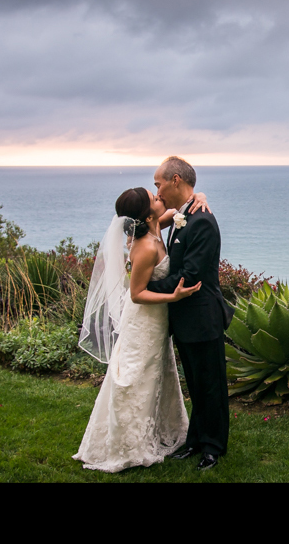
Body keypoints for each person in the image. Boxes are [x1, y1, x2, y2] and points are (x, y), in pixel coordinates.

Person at [74, 186, 210, 473]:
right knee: (134, 377)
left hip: (157, 321)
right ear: (148, 213)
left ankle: (157, 432)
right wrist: (173, 297)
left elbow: (180, 209)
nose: (160, 198)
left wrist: (200, 197)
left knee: (155, 374)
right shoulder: (146, 246)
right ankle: (126, 444)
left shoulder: (155, 226)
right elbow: (136, 294)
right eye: (155, 198)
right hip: (144, 320)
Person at [146, 156, 234, 471]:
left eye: (158, 184)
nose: (157, 193)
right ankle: (196, 439)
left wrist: (145, 288)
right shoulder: (183, 215)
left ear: (176, 180)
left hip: (202, 315)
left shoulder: (202, 221)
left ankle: (213, 447)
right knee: (196, 384)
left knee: (211, 385)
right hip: (185, 318)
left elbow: (191, 275)